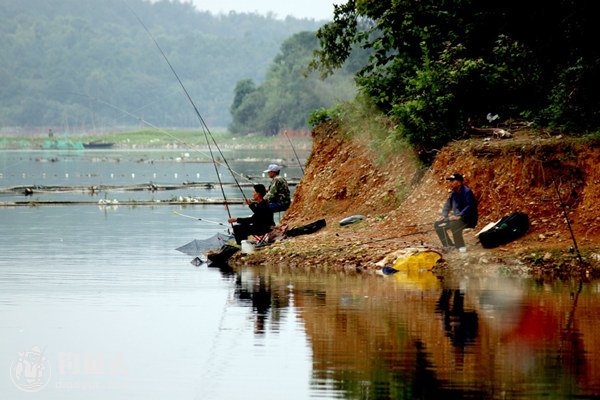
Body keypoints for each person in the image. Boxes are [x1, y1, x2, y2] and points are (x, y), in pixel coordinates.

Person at [434, 173, 478, 251]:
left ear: (459, 182)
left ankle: (461, 247)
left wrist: (459, 215)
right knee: (438, 224)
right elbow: (447, 205)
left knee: (454, 224)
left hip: (468, 219)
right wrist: (443, 215)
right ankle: (448, 245)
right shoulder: (453, 193)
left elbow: (469, 206)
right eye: (450, 181)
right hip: (457, 218)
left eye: (452, 181)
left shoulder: (467, 192)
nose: (450, 183)